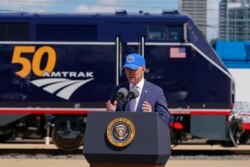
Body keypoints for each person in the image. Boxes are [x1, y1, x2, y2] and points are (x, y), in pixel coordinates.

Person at [106, 53, 170, 125]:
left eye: (133, 69)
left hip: (146, 134)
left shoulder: (156, 91)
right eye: (127, 69)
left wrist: (152, 115)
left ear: (143, 69)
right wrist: (111, 113)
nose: (129, 72)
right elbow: (111, 120)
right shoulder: (119, 90)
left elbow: (166, 118)